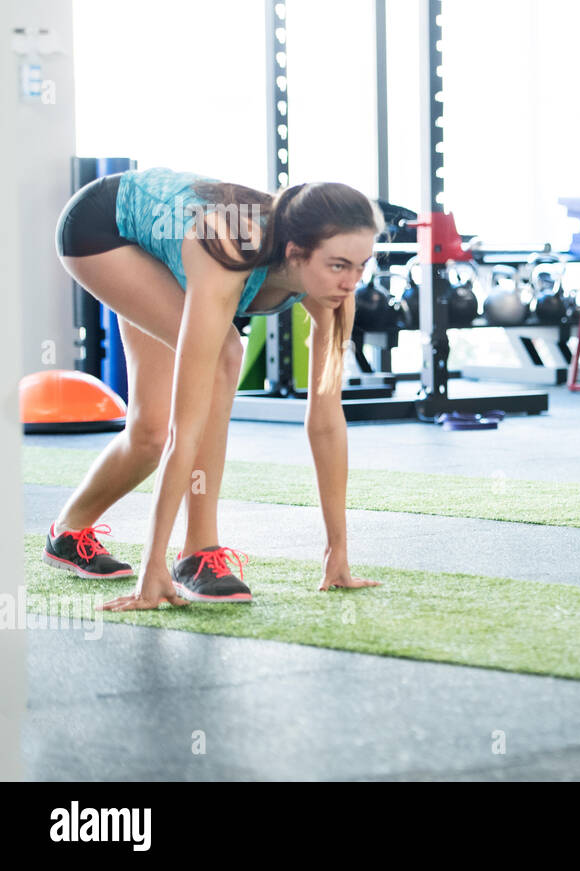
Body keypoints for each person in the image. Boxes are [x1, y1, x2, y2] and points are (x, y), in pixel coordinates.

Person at [48, 167, 383, 610]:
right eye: (338, 266)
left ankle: (67, 535)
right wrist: (152, 569)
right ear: (295, 252)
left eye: (361, 265)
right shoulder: (230, 247)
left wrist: (336, 553)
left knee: (148, 435)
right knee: (226, 354)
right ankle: (197, 553)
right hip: (104, 229)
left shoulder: (337, 291)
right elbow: (186, 429)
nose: (351, 281)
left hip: (165, 243)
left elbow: (326, 420)